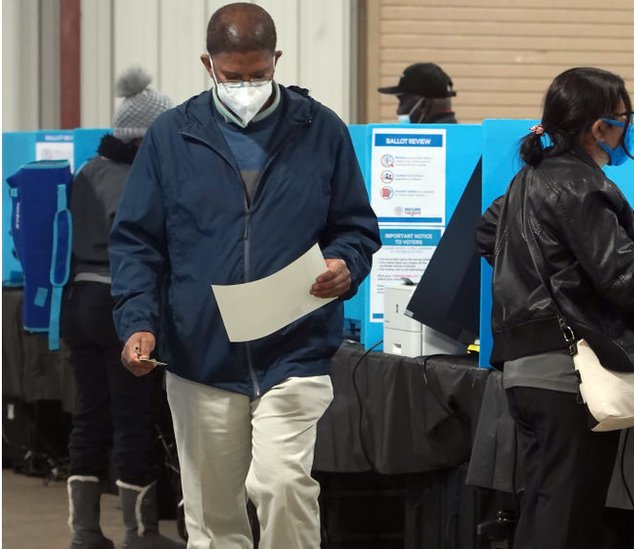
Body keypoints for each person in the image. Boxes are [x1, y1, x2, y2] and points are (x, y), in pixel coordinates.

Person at [108, 4, 381, 548]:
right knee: (212, 514)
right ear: (208, 64)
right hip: (200, 354)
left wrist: (345, 264)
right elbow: (137, 242)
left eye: (258, 74)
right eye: (233, 77)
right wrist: (138, 321)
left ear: (277, 60)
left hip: (294, 349)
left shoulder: (320, 129)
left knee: (281, 483)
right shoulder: (170, 137)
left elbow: (356, 226)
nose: (247, 86)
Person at [475, 67, 634, 548]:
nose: (630, 126)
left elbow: (488, 235)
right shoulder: (583, 186)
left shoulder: (530, 179)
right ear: (599, 127)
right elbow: (631, 285)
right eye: (626, 116)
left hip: (525, 372)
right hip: (568, 373)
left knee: (545, 509)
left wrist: (552, 277)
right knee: (565, 520)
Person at [63, 67, 183, 549]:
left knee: (89, 414)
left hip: (76, 304)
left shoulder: (87, 171)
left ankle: (84, 531)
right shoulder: (145, 177)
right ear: (144, 140)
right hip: (122, 307)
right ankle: (141, 531)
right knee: (134, 414)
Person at [377, 62, 458, 123]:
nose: (398, 110)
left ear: (424, 105)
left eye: (403, 102)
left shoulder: (425, 143)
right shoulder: (464, 139)